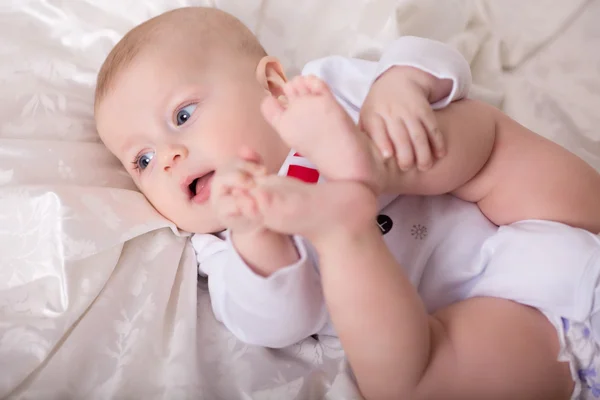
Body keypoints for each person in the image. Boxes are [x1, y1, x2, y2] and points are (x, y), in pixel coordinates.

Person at [94, 7, 600, 399]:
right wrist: (257, 234)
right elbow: (279, 323)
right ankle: (342, 231)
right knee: (408, 385)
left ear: (273, 86)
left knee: (477, 133)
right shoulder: (223, 242)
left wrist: (402, 84)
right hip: (502, 317)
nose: (168, 158)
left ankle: (370, 168)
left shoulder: (325, 94)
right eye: (141, 160)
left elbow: (442, 71)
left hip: (542, 216)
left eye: (182, 115)